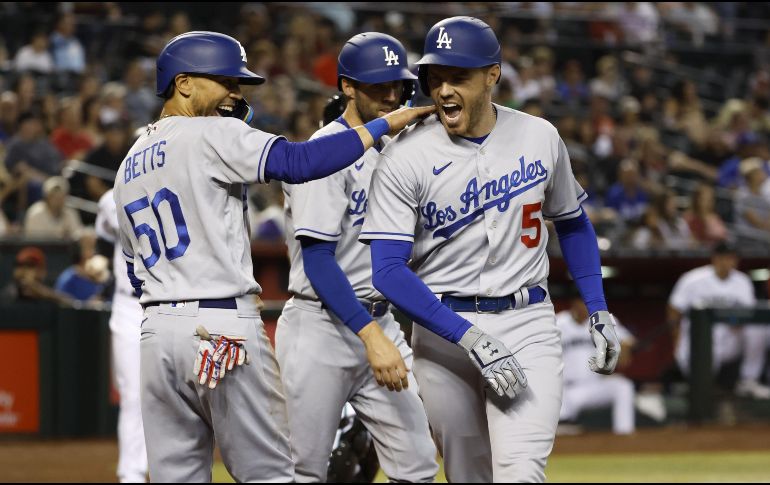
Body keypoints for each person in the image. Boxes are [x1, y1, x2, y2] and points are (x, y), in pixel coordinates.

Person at [112, 31, 433, 483]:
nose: (235, 94)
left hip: (156, 333)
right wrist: (385, 125)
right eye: (225, 82)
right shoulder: (212, 132)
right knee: (273, 475)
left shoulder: (129, 161)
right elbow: (300, 163)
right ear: (183, 83)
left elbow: (131, 267)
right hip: (220, 326)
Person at [360, 17, 620, 482]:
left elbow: (574, 225)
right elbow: (387, 270)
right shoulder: (404, 155)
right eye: (434, 79)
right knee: (467, 476)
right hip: (442, 332)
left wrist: (598, 309)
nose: (442, 90)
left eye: (457, 77)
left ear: (492, 75)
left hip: (526, 324)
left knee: (520, 472)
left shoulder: (540, 136)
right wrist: (468, 336)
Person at [276, 32, 438, 483]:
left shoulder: (402, 154)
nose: (391, 96)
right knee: (302, 469)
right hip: (320, 328)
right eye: (376, 86)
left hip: (380, 320)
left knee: (418, 462)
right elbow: (319, 262)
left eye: (399, 86)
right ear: (347, 86)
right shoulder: (323, 151)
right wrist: (372, 337)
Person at [667, 242, 770, 400]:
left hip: (730, 338)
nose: (728, 262)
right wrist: (677, 342)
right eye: (724, 257)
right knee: (702, 384)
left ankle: (749, 380)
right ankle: (701, 390)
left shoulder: (742, 281)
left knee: (759, 328)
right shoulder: (693, 279)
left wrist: (737, 323)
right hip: (698, 339)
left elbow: (750, 315)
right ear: (715, 258)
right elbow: (674, 309)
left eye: (732, 258)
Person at [95, 189, 148, 483]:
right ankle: (132, 475)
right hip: (128, 304)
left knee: (177, 392)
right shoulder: (111, 197)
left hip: (169, 302)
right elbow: (102, 234)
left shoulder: (179, 181)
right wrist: (100, 261)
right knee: (133, 395)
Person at [557, 296, 636, 435]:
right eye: (583, 302)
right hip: (568, 390)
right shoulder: (558, 322)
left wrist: (624, 350)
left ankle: (624, 435)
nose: (586, 306)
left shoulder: (602, 320)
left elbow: (627, 341)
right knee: (561, 425)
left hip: (595, 385)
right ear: (574, 303)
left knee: (623, 386)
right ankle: (566, 431)